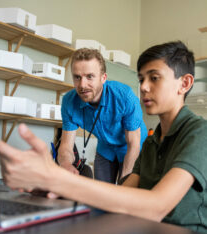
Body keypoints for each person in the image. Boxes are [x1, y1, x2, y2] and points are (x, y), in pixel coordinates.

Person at [0, 41, 207, 233]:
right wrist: (58, 186)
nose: (143, 87)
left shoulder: (199, 133)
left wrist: (57, 179)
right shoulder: (152, 142)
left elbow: (156, 206)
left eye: (154, 78)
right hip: (152, 233)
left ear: (185, 83)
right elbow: (119, 196)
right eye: (141, 79)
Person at [58, 48, 147, 184]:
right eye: (77, 77)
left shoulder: (124, 97)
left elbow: (133, 144)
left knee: (126, 192)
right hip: (105, 149)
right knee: (101, 194)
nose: (82, 85)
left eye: (89, 77)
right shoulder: (69, 102)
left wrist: (124, 183)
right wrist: (65, 164)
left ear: (103, 78)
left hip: (131, 146)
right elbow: (66, 146)